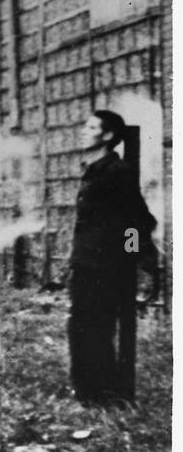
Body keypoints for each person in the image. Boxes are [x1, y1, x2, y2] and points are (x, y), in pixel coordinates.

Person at [68, 110, 158, 405]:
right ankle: (86, 391)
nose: (83, 131)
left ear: (107, 136)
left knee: (96, 327)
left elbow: (137, 220)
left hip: (104, 265)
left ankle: (101, 394)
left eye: (90, 127)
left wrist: (130, 257)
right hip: (85, 262)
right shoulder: (94, 169)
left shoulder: (117, 172)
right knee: (81, 325)